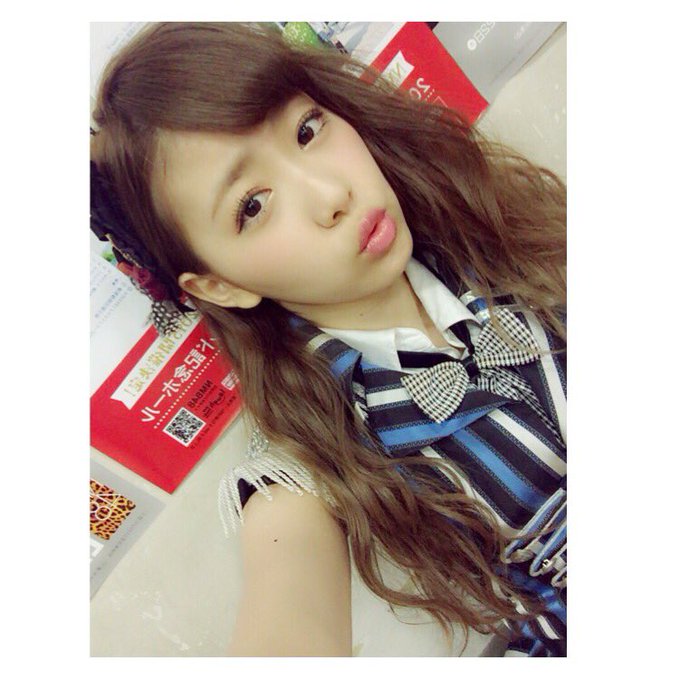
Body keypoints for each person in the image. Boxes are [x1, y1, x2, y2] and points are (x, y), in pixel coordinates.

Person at [90, 21, 566, 657]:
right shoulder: (311, 453)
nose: (332, 192)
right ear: (219, 285)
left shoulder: (485, 213)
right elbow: (289, 612)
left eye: (307, 131)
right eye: (253, 206)